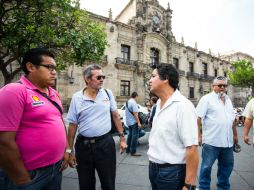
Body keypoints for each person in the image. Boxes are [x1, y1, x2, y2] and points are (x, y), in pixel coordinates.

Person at [0, 48, 70, 190]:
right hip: (30, 174)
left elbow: (59, 122)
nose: (54, 72)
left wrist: (66, 150)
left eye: (55, 68)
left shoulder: (54, 93)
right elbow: (3, 141)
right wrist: (21, 177)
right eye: (49, 67)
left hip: (56, 168)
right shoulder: (14, 91)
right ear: (31, 67)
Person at [67, 64, 127, 190]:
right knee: (85, 183)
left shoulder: (107, 93)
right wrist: (69, 150)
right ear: (88, 79)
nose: (102, 79)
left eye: (103, 77)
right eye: (98, 77)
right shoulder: (77, 98)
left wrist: (122, 138)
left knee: (108, 182)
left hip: (105, 144)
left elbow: (115, 116)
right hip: (83, 146)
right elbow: (72, 126)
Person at [147, 64, 199, 190]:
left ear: (165, 78)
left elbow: (192, 148)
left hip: (172, 173)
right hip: (153, 168)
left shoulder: (183, 106)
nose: (149, 80)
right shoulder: (159, 103)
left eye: (153, 76)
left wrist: (188, 185)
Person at [196, 76, 238, 190]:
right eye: (220, 85)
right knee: (206, 167)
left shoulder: (228, 100)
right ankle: (203, 188)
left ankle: (223, 187)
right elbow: (198, 118)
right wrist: (199, 135)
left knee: (227, 167)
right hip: (211, 141)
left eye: (225, 85)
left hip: (227, 142)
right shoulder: (206, 99)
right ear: (213, 86)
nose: (222, 87)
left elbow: (231, 119)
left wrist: (235, 135)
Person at [125, 92, 143, 156]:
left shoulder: (128, 102)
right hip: (134, 122)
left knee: (130, 136)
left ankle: (127, 149)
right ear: (136, 96)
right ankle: (133, 151)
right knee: (134, 137)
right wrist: (138, 122)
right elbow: (135, 113)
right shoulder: (133, 102)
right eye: (138, 97)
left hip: (129, 122)